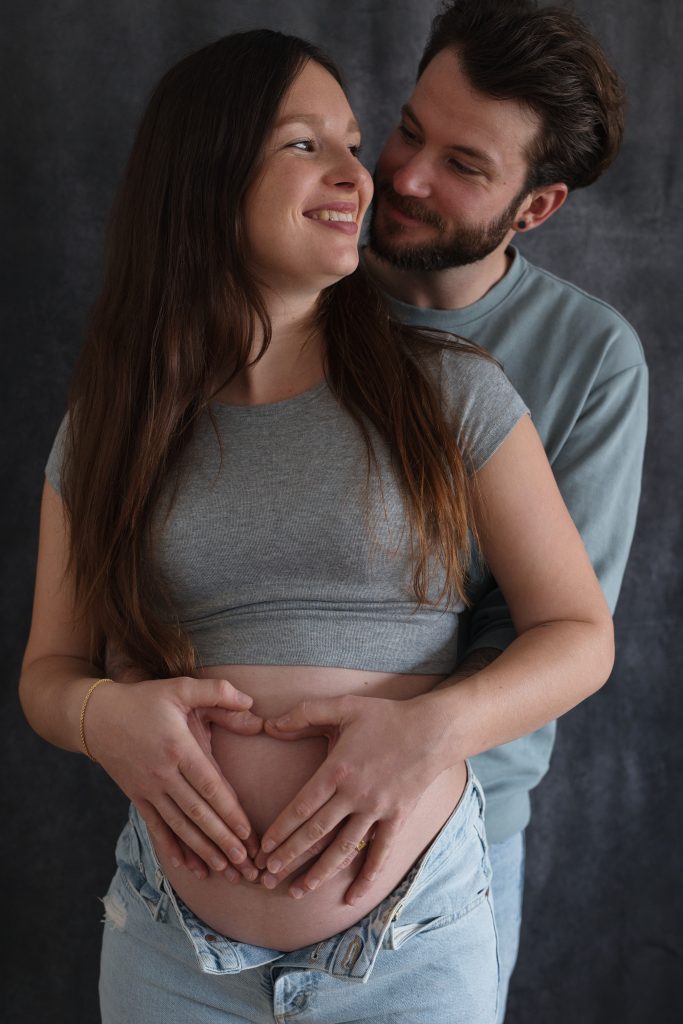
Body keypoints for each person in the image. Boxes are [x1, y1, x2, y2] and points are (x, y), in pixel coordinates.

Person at [19, 28, 614, 1024]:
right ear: (205, 173)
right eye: (305, 144)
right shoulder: (109, 429)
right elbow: (49, 672)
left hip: (410, 949)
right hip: (170, 952)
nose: (357, 175)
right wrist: (99, 718)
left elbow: (579, 635)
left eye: (352, 144)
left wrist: (427, 732)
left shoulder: (451, 394)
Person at [358, 0, 648, 1017]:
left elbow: (554, 633)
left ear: (535, 206)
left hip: (455, 845)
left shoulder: (590, 359)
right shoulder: (288, 283)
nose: (403, 176)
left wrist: (397, 753)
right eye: (407, 130)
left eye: (462, 165)